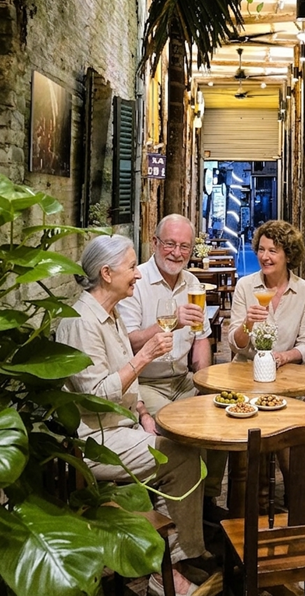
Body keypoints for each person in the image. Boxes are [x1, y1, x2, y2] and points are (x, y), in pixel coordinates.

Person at [56, 235, 206, 596]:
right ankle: (169, 568)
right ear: (106, 273)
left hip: (120, 427)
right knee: (182, 455)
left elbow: (122, 381)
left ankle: (168, 557)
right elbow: (94, 395)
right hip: (94, 441)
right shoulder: (81, 322)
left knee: (181, 446)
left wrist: (141, 413)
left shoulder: (108, 314)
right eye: (130, 268)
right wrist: (146, 356)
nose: (136, 275)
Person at [117, 213, 226, 525]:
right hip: (144, 383)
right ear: (154, 243)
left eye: (185, 247)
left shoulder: (192, 283)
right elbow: (126, 343)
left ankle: (206, 499)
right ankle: (174, 514)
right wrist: (170, 322)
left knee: (221, 416)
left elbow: (202, 337)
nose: (177, 253)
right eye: (170, 244)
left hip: (182, 379)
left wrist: (205, 383)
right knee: (183, 428)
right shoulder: (135, 282)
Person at [228, 219, 305, 366]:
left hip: (287, 372)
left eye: (272, 251)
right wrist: (247, 323)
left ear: (288, 256)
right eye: (261, 249)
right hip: (247, 369)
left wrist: (284, 357)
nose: (264, 257)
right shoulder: (245, 286)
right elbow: (235, 345)